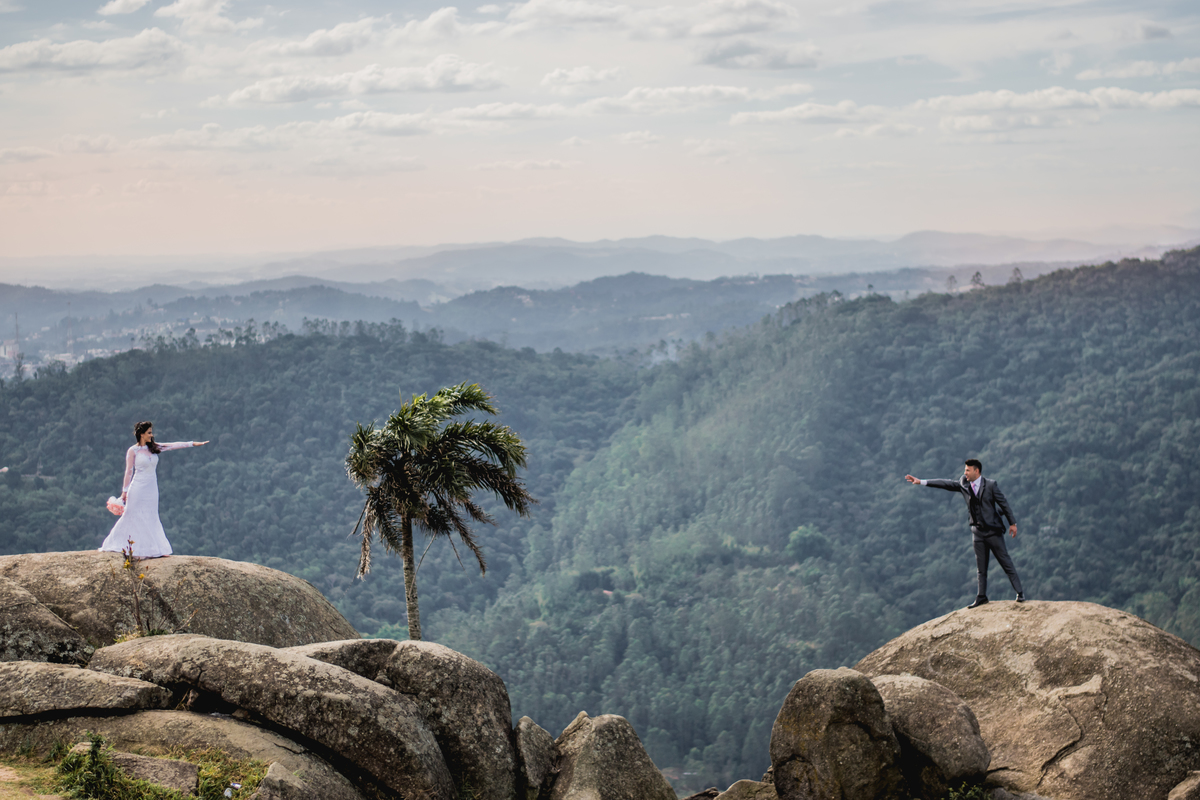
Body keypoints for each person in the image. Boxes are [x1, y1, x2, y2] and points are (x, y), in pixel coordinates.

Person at [904, 458, 1025, 608]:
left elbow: (1004, 504)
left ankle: (1020, 593)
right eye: (965, 470)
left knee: (1005, 562)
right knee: (981, 567)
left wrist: (1012, 523)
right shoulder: (964, 484)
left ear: (977, 471)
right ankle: (981, 596)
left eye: (968, 470)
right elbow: (946, 484)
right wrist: (921, 481)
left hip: (993, 531)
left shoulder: (991, 485)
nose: (965, 473)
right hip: (977, 532)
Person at [99, 421, 209, 558]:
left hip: (152, 489)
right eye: (149, 432)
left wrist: (192, 443)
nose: (152, 435)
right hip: (137, 488)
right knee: (131, 515)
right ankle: (121, 544)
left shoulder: (154, 447)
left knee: (151, 515)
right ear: (141, 434)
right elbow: (129, 471)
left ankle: (154, 549)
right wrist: (124, 491)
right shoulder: (132, 451)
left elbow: (173, 445)